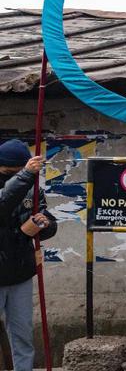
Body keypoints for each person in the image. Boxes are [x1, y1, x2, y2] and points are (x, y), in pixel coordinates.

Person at [0, 140, 56, 371]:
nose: (15, 175)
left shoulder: (33, 188)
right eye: (8, 172)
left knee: (22, 336)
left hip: (21, 272)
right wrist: (24, 175)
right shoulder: (23, 181)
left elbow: (48, 223)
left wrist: (44, 224)